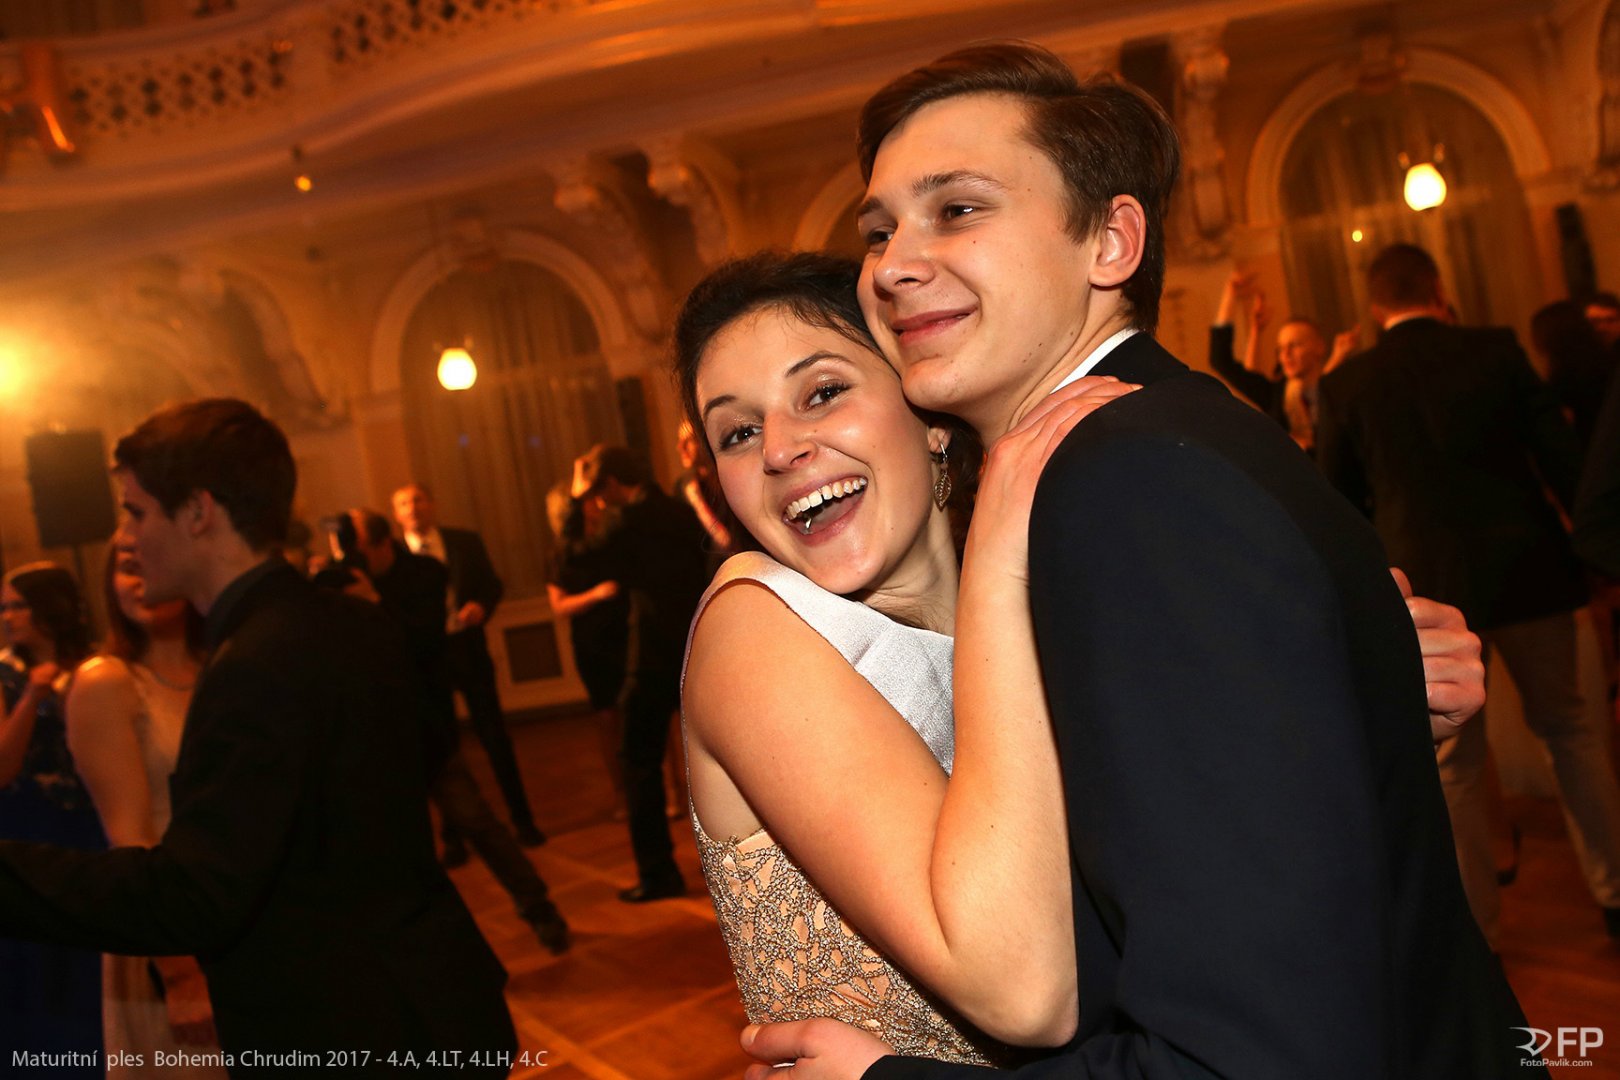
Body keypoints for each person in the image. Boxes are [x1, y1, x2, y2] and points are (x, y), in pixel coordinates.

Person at [742, 42, 1530, 1079]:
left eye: (958, 209)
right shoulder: (1144, 444)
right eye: (879, 230)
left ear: (1111, 242)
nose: (891, 265)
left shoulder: (1128, 485)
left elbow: (1252, 1056)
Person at [0, 398, 515, 1073]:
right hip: (433, 995)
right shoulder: (351, 620)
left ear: (199, 512)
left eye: (138, 512)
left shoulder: (254, 662)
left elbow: (194, 896)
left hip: (349, 1026)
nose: (127, 536)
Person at [1320, 244, 1620, 948]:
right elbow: (1562, 457)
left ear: (1375, 306)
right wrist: (1594, 553)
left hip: (1427, 589)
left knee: (1453, 765)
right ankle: (1616, 892)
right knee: (1573, 732)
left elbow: (1337, 504)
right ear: (1438, 288)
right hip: (1531, 569)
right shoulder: (1495, 349)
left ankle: (1477, 932)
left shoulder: (1348, 382)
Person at [334, 508, 570, 954]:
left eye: (354, 542)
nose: (348, 552)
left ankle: (539, 907)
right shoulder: (340, 585)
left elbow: (420, 641)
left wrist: (373, 601)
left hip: (424, 727)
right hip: (376, 737)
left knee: (477, 820)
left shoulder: (425, 573)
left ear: (378, 545)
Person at [65, 549, 226, 1078]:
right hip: (165, 925)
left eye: (148, 561)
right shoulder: (107, 680)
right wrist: (180, 974)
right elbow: (131, 838)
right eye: (126, 569)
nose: (139, 581)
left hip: (235, 908)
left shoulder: (224, 664)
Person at [566, 444, 710, 901]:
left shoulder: (626, 523)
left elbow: (574, 559)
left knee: (637, 762)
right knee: (716, 763)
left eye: (598, 492)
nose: (598, 500)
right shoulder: (680, 512)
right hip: (699, 648)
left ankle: (658, 872)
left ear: (611, 484)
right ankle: (733, 864)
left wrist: (573, 501)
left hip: (651, 658)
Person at [393, 481, 546, 855]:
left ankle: (523, 821)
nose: (413, 508)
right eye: (405, 503)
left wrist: (481, 605)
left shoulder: (464, 542)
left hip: (468, 650)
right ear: (396, 514)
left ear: (432, 504)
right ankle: (454, 837)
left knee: (495, 737)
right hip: (428, 660)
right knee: (442, 748)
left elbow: (492, 584)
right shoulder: (395, 557)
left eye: (418, 500)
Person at [0, 562, 103, 1076]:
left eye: (18, 605)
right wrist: (33, 697)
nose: (8, 616)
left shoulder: (95, 667)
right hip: (29, 824)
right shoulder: (4, 674)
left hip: (86, 823)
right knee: (40, 965)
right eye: (3, 607)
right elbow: (2, 767)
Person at [544, 483, 630, 818]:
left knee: (642, 713)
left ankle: (673, 792)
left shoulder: (611, 541)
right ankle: (621, 795)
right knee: (607, 719)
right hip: (592, 644)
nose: (597, 505)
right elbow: (559, 606)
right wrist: (596, 595)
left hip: (627, 634)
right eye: (587, 502)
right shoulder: (560, 552)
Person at [1208, 270, 1357, 452]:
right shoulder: (1276, 397)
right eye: (1280, 348)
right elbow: (1221, 360)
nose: (1285, 354)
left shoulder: (1342, 391)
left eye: (1294, 345)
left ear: (1319, 347)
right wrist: (1230, 296)